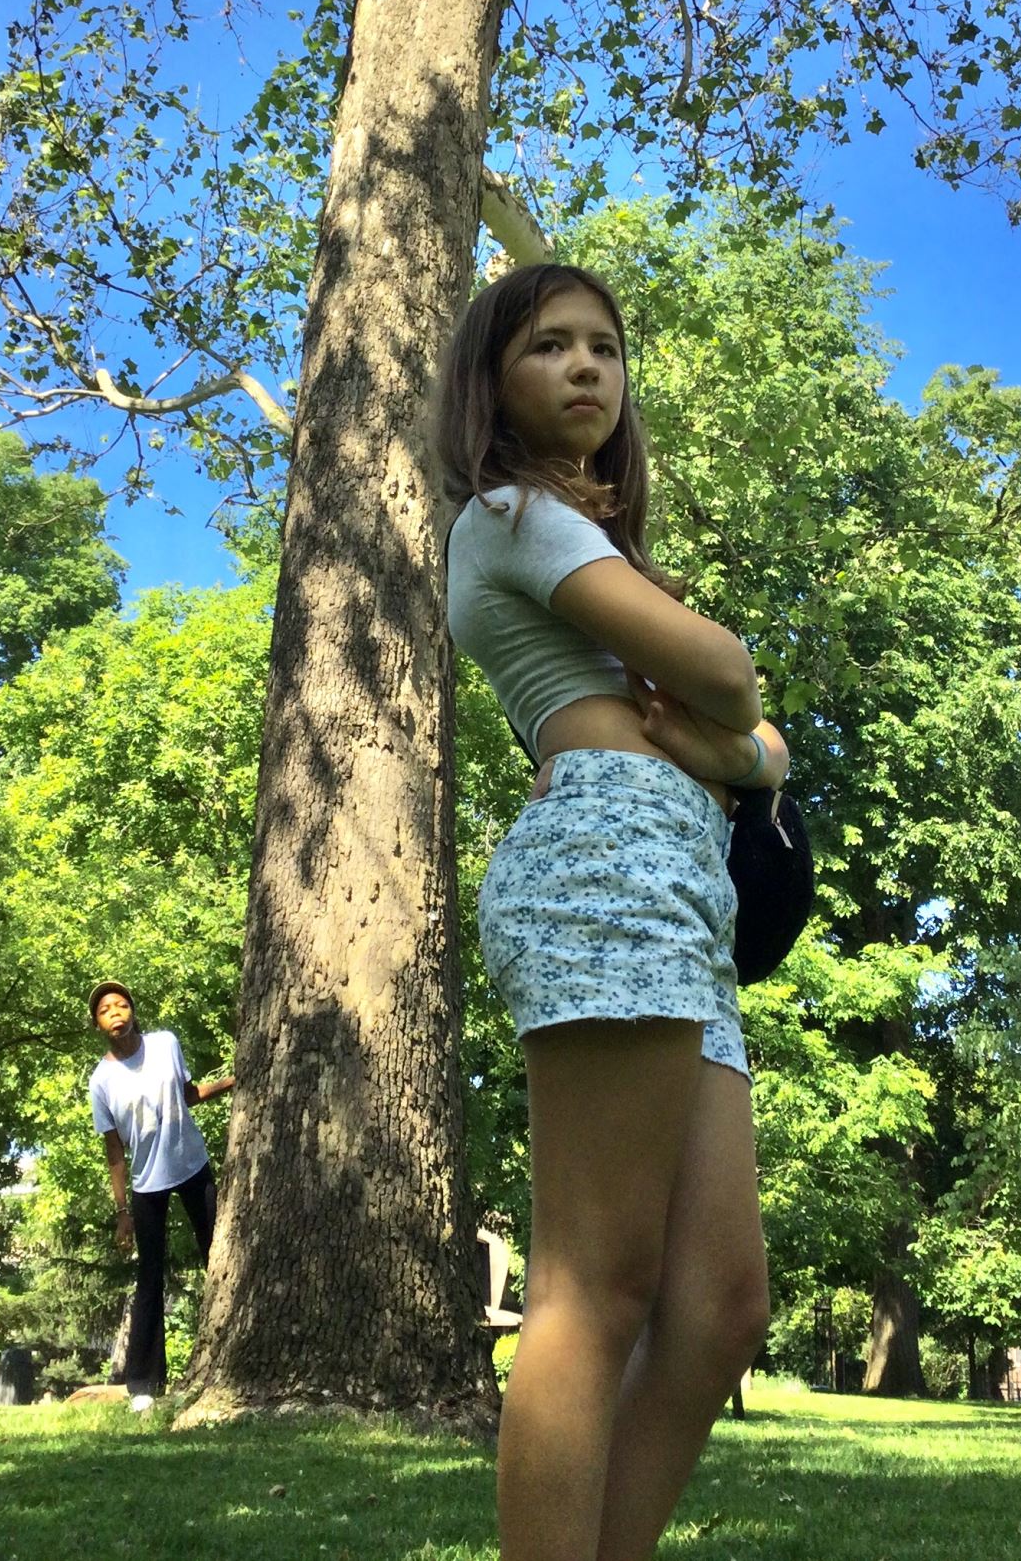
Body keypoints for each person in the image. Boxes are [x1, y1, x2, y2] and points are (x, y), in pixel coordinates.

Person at [434, 263, 787, 1561]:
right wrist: (731, 733)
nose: (586, 365)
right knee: (595, 1286)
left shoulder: (592, 549)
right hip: (607, 861)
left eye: (605, 345)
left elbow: (760, 745)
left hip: (678, 890)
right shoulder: (511, 514)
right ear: (491, 383)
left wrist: (733, 749)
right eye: (548, 345)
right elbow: (727, 675)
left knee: (720, 1304)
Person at [86, 979, 234, 1413]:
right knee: (150, 1277)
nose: (115, 1013)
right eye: (104, 1011)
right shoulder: (101, 1081)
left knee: (219, 1255)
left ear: (133, 1011)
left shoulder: (166, 1043)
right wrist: (122, 1212)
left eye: (120, 1005)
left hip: (192, 1166)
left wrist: (233, 1081)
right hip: (146, 1183)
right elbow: (114, 1150)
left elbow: (188, 1096)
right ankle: (143, 1384)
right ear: (98, 1025)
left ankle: (233, 1349)